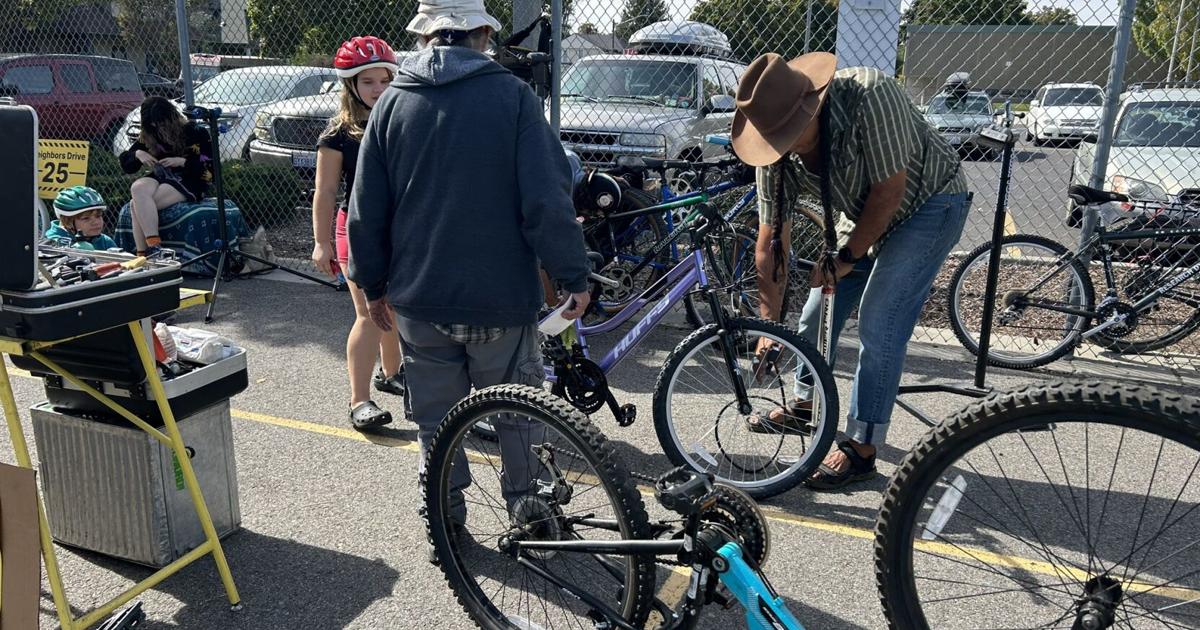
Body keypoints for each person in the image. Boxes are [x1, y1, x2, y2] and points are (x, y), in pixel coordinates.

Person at [346, 0, 591, 557]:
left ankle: (446, 522)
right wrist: (573, 275)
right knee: (518, 416)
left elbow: (366, 210)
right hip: (499, 298)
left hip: (418, 299)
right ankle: (529, 515)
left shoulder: (392, 106)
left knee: (437, 419)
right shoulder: (512, 97)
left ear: (426, 36)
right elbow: (546, 201)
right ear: (482, 32)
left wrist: (373, 285)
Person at [733, 52, 970, 490]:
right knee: (811, 313)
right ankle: (808, 406)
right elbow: (772, 241)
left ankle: (863, 446)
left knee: (881, 322)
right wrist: (769, 325)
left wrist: (846, 259)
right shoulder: (774, 150)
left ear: (812, 108)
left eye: (787, 134)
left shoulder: (869, 95)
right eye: (773, 138)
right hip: (862, 210)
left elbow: (889, 192)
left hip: (929, 203)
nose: (778, 146)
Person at [312, 36, 406, 430]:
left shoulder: (402, 122)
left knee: (395, 311)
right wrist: (321, 243)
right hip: (357, 230)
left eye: (384, 81)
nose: (378, 89)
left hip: (399, 230)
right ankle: (359, 400)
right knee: (369, 313)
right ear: (351, 85)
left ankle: (391, 373)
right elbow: (327, 191)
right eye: (368, 82)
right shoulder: (338, 134)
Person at [119, 96, 213, 256]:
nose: (157, 127)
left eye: (160, 123)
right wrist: (137, 154)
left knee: (137, 205)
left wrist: (182, 162)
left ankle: (146, 252)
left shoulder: (195, 132)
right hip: (162, 174)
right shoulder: (150, 133)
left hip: (190, 178)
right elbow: (128, 167)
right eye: (152, 124)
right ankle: (151, 249)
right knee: (138, 188)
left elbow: (211, 166)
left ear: (170, 118)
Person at [45, 186, 119, 251]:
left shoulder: (105, 242)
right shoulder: (51, 242)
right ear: (67, 222)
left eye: (98, 216)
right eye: (86, 218)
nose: (96, 222)